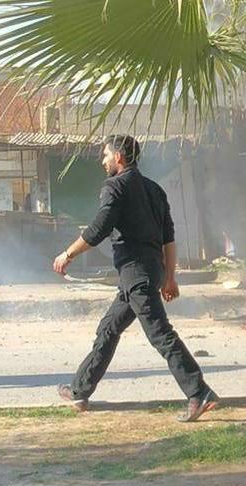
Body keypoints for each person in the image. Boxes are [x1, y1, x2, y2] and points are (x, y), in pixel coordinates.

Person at [52, 135, 219, 420]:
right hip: (148, 272)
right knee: (108, 329)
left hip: (135, 273)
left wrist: (67, 254)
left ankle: (199, 392)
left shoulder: (115, 186)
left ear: (119, 157)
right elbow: (168, 239)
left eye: (106, 155)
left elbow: (99, 228)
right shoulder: (154, 190)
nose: (103, 161)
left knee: (160, 334)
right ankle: (80, 390)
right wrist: (169, 277)